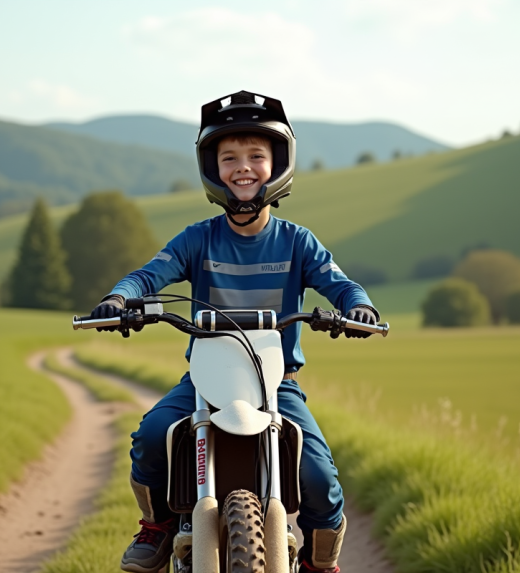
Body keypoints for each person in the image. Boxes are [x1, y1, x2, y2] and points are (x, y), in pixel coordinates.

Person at [89, 90, 380, 573]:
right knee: (153, 435)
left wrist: (358, 307)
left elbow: (340, 283)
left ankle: (320, 563)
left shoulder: (297, 242)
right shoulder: (197, 239)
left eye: (255, 156)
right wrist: (121, 299)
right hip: (204, 382)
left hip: (276, 384)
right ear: (212, 168)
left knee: (321, 478)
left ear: (277, 164)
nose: (242, 167)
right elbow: (147, 275)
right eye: (229, 158)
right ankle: (158, 526)